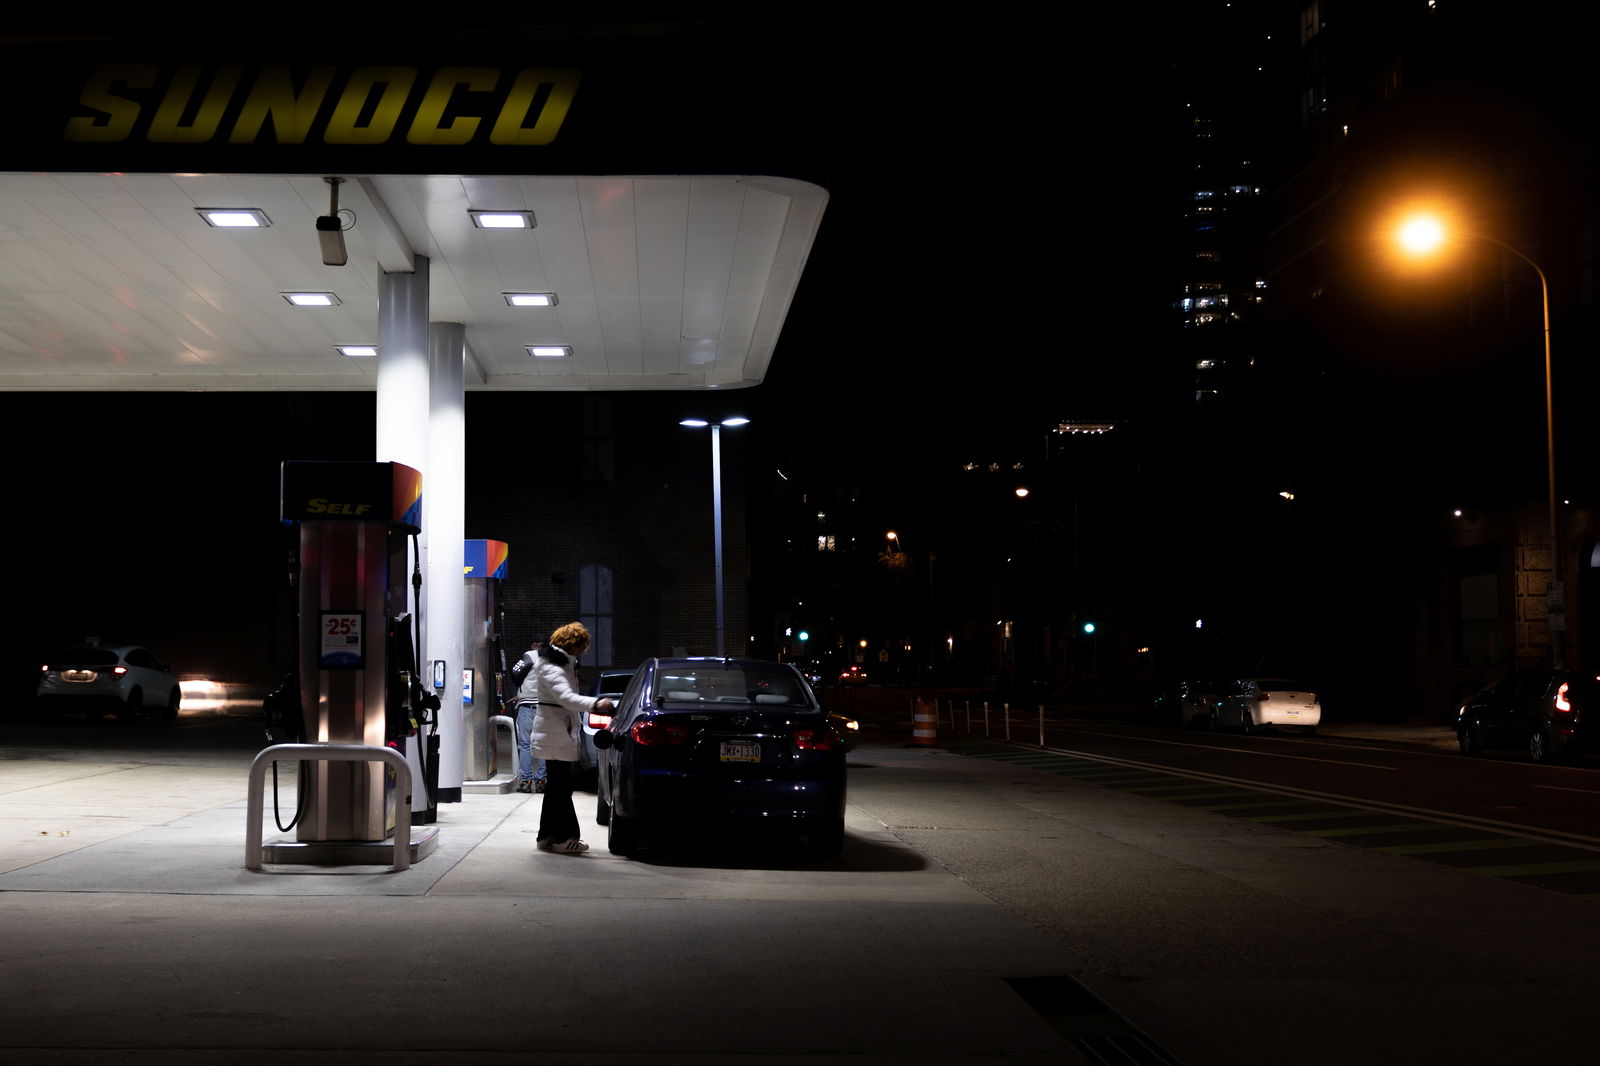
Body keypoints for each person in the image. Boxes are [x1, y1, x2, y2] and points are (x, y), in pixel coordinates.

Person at [524, 622, 614, 854]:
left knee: (558, 787)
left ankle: (548, 837)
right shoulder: (554, 666)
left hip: (556, 733)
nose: (584, 651)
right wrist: (596, 704)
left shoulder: (560, 663)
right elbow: (566, 697)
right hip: (555, 734)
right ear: (574, 644)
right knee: (561, 788)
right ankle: (563, 837)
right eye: (583, 646)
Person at [512, 640, 548, 794]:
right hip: (546, 707)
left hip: (528, 706)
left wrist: (521, 689)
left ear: (534, 644)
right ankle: (541, 781)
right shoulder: (553, 657)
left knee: (526, 744)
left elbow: (515, 672)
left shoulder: (530, 655)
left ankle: (526, 781)